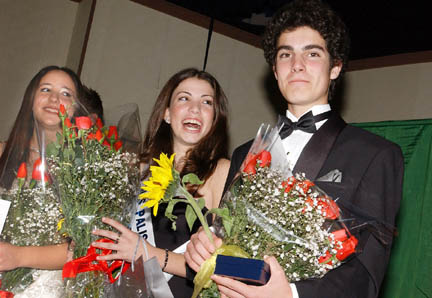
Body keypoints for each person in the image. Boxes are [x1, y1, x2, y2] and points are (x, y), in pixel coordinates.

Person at [184, 1, 404, 297]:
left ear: (336, 67)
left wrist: (290, 294)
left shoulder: (376, 155)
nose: (297, 64)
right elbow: (227, 243)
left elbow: (367, 276)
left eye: (312, 54)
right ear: (275, 70)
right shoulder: (244, 153)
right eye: (285, 54)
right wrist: (204, 248)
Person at [92, 67, 230, 297]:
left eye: (207, 102)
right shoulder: (138, 169)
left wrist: (149, 254)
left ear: (215, 118)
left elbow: (233, 266)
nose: (195, 109)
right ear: (166, 113)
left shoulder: (221, 171)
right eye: (184, 98)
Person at [0, 66, 88, 295]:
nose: (53, 98)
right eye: (45, 89)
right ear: (31, 99)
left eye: (66, 93)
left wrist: (17, 256)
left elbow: (81, 245)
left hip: (45, 289)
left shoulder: (86, 171)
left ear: (77, 108)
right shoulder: (2, 154)